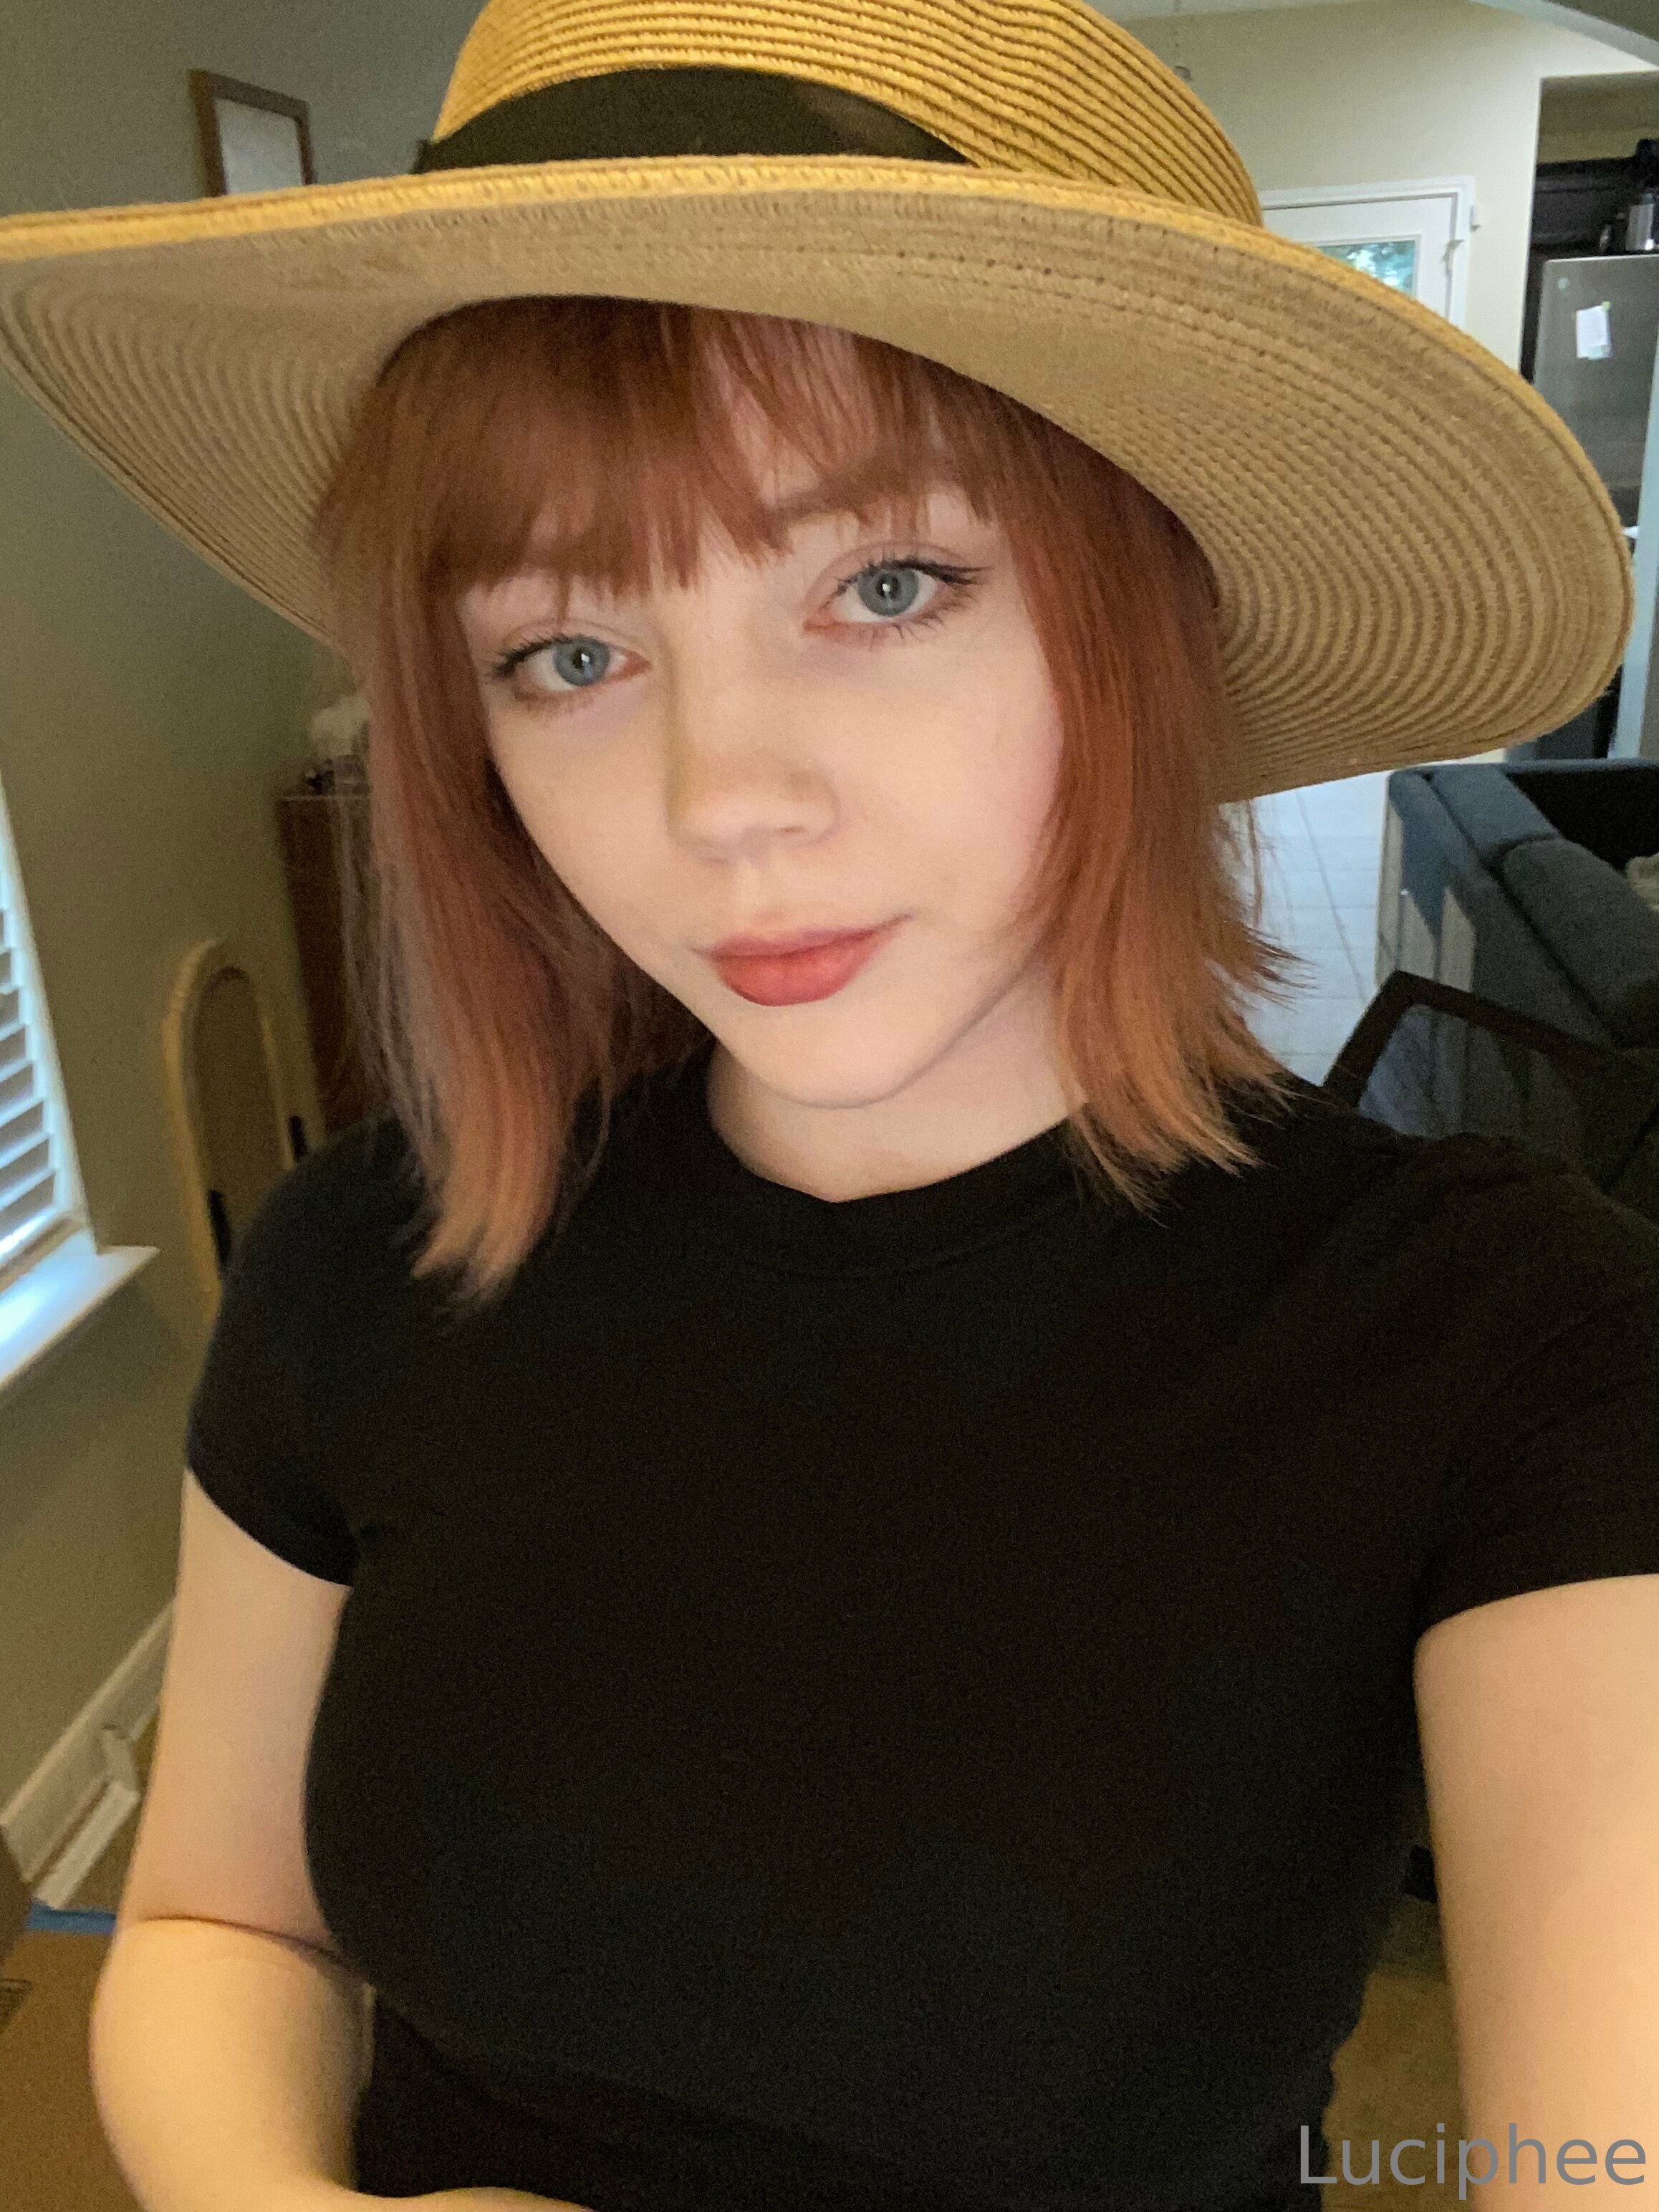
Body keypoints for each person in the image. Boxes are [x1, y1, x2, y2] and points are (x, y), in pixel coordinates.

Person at [4, 2, 1655, 2209]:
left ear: (1152, 618)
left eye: (886, 586)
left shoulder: (1507, 1342)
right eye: (567, 652)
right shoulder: (363, 1260)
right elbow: (226, 1924)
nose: (721, 802)